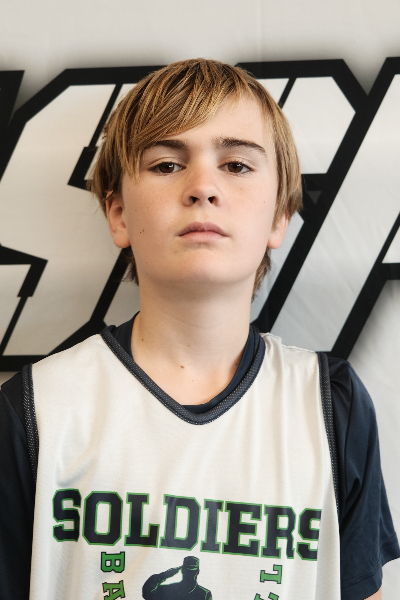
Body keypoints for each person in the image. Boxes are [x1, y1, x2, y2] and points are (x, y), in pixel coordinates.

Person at [0, 58, 398, 600]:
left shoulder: (331, 405)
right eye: (167, 164)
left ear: (279, 216)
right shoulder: (36, 409)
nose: (203, 187)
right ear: (118, 213)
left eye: (236, 165)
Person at [142, 556, 212, 599]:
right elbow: (147, 594)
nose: (189, 575)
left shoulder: (205, 594)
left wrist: (164, 575)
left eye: (191, 572)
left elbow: (147, 593)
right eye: (188, 572)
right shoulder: (168, 590)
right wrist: (163, 575)